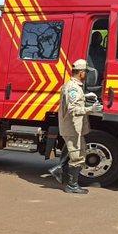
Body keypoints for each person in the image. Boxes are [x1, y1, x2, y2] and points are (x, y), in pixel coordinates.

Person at [49, 59, 103, 194]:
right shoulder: (73, 88)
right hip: (72, 128)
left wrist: (85, 97)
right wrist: (91, 109)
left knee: (81, 153)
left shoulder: (75, 86)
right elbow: (73, 109)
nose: (87, 75)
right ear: (81, 73)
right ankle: (72, 186)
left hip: (76, 128)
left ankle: (59, 170)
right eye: (86, 72)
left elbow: (75, 102)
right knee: (77, 157)